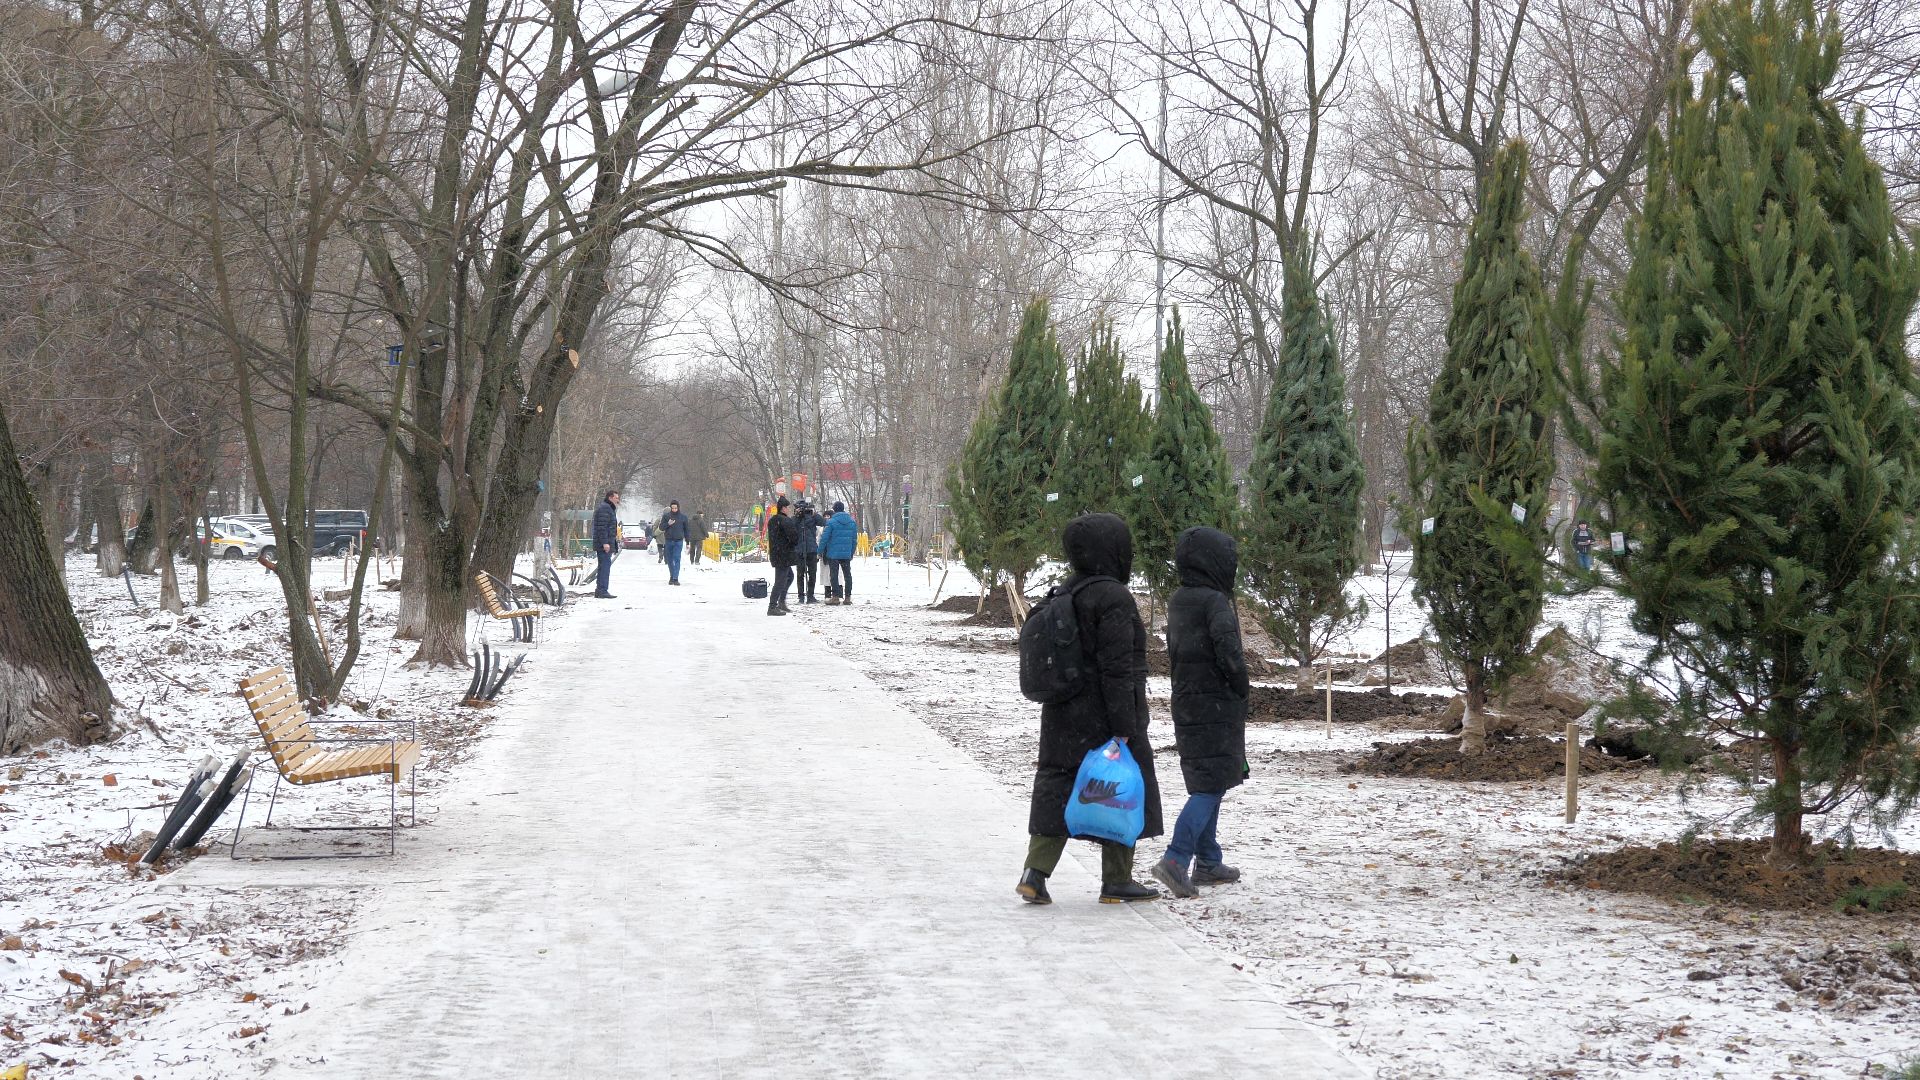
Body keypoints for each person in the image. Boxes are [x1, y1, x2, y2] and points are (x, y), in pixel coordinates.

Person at [1018, 512, 1163, 906]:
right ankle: (1117, 879)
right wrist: (1124, 726)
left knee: (1059, 786)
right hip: (1103, 713)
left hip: (1063, 711)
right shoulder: (1112, 597)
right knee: (1117, 789)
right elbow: (1118, 668)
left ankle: (1035, 873)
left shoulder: (1065, 592)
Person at [1150, 527, 1249, 899]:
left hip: (1188, 701)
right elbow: (1229, 654)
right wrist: (1242, 687)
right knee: (1210, 785)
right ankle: (1176, 859)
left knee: (1211, 779)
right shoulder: (1215, 602)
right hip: (1217, 705)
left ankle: (1208, 861)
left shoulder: (1179, 599)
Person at [818, 501, 858, 606]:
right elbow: (854, 540)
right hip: (846, 553)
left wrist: (820, 551)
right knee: (847, 575)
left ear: (834, 510)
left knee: (834, 575)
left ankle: (835, 597)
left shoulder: (831, 522)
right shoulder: (852, 522)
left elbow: (824, 538)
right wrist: (851, 552)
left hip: (833, 553)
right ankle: (848, 597)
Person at [765, 496, 799, 616]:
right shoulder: (785, 521)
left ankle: (781, 601)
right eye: (788, 507)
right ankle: (772, 606)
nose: (789, 510)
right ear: (783, 508)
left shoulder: (773, 520)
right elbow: (794, 537)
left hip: (777, 553)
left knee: (789, 576)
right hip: (784, 555)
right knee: (780, 580)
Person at [590, 490, 620, 599]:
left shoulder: (608, 508)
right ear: (610, 498)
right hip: (604, 544)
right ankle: (602, 590)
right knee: (604, 567)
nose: (618, 500)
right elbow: (602, 528)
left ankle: (600, 589)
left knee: (604, 567)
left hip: (605, 543)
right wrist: (605, 543)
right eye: (616, 498)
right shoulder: (605, 509)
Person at [793, 500, 824, 603]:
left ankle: (810, 596)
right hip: (799, 550)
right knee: (800, 574)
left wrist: (814, 514)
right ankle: (801, 596)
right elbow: (791, 526)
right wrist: (797, 516)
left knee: (812, 574)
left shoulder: (812, 517)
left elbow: (823, 522)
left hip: (811, 549)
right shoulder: (795, 519)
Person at [657, 501, 691, 585]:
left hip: (678, 541)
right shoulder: (666, 516)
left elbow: (687, 530)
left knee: (677, 558)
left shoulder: (683, 517)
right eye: (673, 508)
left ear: (678, 508)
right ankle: (671, 576)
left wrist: (687, 542)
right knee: (669, 559)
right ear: (670, 508)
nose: (674, 509)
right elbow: (661, 527)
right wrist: (668, 524)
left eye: (676, 508)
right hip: (668, 541)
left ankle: (675, 578)